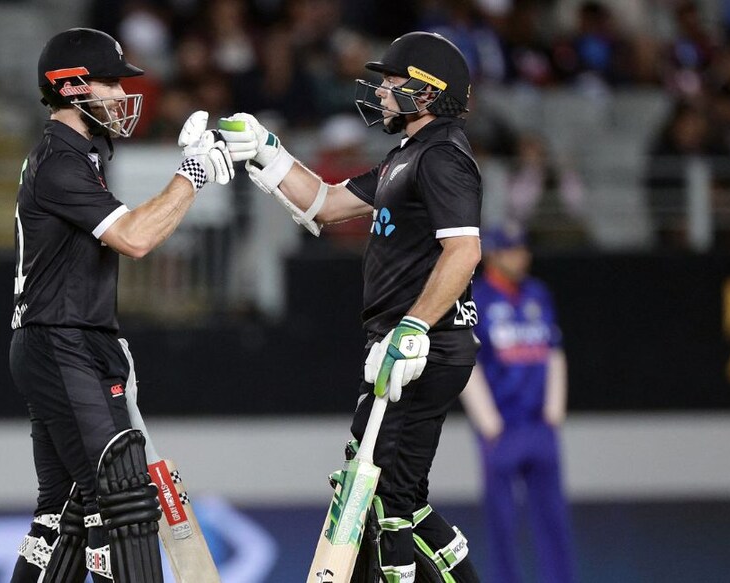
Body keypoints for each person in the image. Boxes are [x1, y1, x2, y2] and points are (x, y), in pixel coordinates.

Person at [220, 31, 482, 583]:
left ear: (427, 92)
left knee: (379, 499)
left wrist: (412, 328)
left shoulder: (442, 155)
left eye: (393, 82)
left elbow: (464, 250)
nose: (381, 91)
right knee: (397, 499)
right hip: (407, 346)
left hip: (421, 348)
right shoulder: (407, 156)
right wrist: (267, 150)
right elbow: (325, 203)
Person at [7, 28, 234, 583]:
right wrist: (193, 172)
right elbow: (134, 237)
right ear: (72, 86)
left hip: (66, 338)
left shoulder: (76, 156)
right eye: (109, 82)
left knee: (66, 511)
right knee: (120, 499)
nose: (120, 94)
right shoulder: (61, 161)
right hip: (62, 341)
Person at [458, 224, 573, 583]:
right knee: (502, 522)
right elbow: (466, 361)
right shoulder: (476, 299)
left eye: (523, 249)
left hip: (539, 424)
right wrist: (487, 421)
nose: (521, 257)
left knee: (553, 517)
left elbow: (554, 351)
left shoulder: (538, 294)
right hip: (502, 428)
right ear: (493, 255)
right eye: (512, 250)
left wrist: (555, 409)